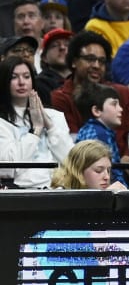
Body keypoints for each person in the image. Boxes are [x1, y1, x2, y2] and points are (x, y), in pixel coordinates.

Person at [50, 31, 129, 158]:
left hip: (123, 169)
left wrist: (127, 155)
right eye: (90, 59)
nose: (97, 66)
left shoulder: (123, 93)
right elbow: (70, 142)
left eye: (102, 61)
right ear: (74, 61)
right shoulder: (60, 97)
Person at [0, 56, 74, 189]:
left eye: (27, 76)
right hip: (20, 193)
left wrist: (50, 126)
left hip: (58, 190)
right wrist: (36, 130)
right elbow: (7, 169)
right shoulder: (2, 122)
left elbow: (71, 162)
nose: (22, 82)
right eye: (14, 77)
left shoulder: (54, 116)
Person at [74, 82, 127, 186]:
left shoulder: (91, 130)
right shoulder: (99, 135)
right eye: (114, 104)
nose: (121, 109)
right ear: (97, 110)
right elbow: (110, 175)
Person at [51, 140, 127, 190]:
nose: (107, 177)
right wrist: (105, 200)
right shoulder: (59, 197)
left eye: (108, 170)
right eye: (98, 170)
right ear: (78, 171)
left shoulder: (110, 194)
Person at [36, 29, 74, 106]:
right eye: (55, 45)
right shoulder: (39, 84)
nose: (62, 48)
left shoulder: (82, 79)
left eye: (67, 45)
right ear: (44, 57)